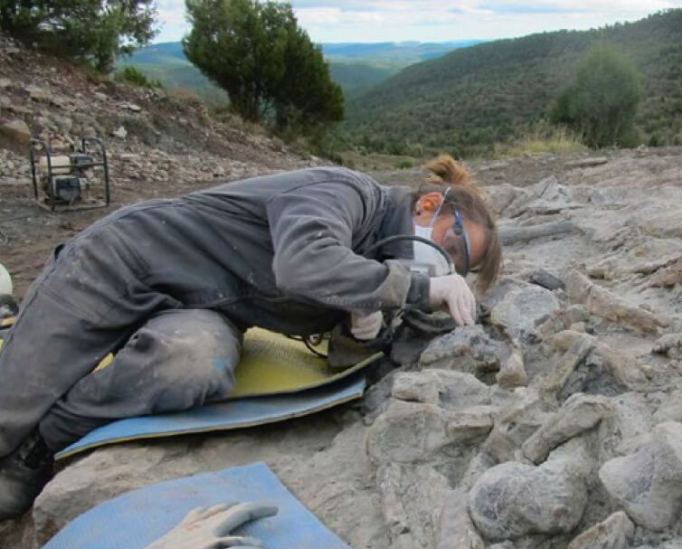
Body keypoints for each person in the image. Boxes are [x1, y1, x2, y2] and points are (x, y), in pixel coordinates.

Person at [0, 154, 502, 519]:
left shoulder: (384, 260)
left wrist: (361, 331)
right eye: (453, 244)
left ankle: (43, 444)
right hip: (124, 261)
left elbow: (342, 356)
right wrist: (415, 287)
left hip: (206, 307)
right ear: (428, 204)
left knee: (193, 363)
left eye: (460, 266)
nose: (447, 264)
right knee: (9, 409)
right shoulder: (347, 193)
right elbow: (302, 263)